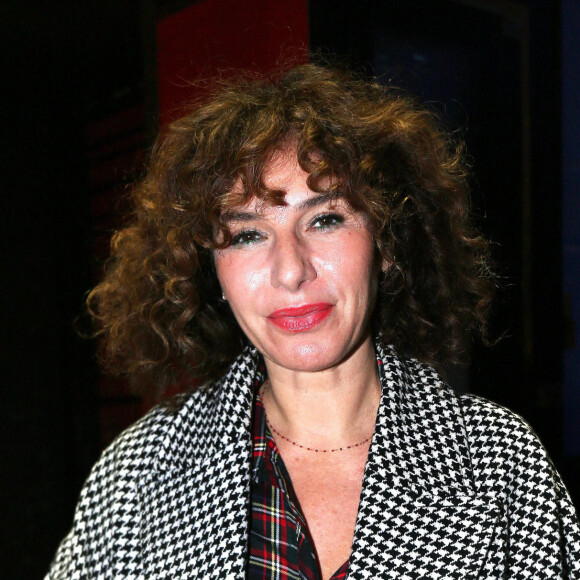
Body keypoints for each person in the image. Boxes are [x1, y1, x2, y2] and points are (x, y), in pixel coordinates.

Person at [47, 64, 579, 579]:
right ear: (211, 269)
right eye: (248, 234)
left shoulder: (504, 465)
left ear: (387, 243)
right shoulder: (139, 472)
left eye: (325, 220)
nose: (290, 270)